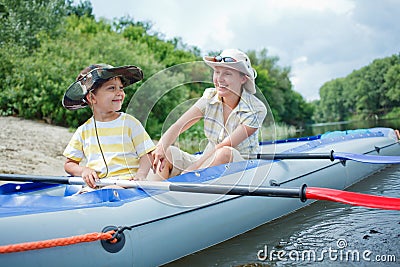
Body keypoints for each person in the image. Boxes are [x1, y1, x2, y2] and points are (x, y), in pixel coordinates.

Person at [151, 49, 267, 179]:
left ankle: (190, 186)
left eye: (227, 74)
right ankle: (155, 193)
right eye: (217, 72)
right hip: (207, 160)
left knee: (224, 153)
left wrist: (194, 168)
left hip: (241, 167)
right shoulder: (209, 97)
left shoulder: (257, 109)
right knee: (168, 152)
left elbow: (225, 145)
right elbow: (179, 125)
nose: (219, 79)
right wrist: (161, 146)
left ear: (243, 79)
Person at [62, 64, 156, 189]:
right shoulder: (83, 130)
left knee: (111, 191)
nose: (120, 93)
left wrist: (141, 174)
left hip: (127, 184)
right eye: (112, 88)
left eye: (121, 88)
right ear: (91, 97)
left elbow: (147, 154)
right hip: (98, 185)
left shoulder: (129, 123)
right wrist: (83, 170)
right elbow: (70, 164)